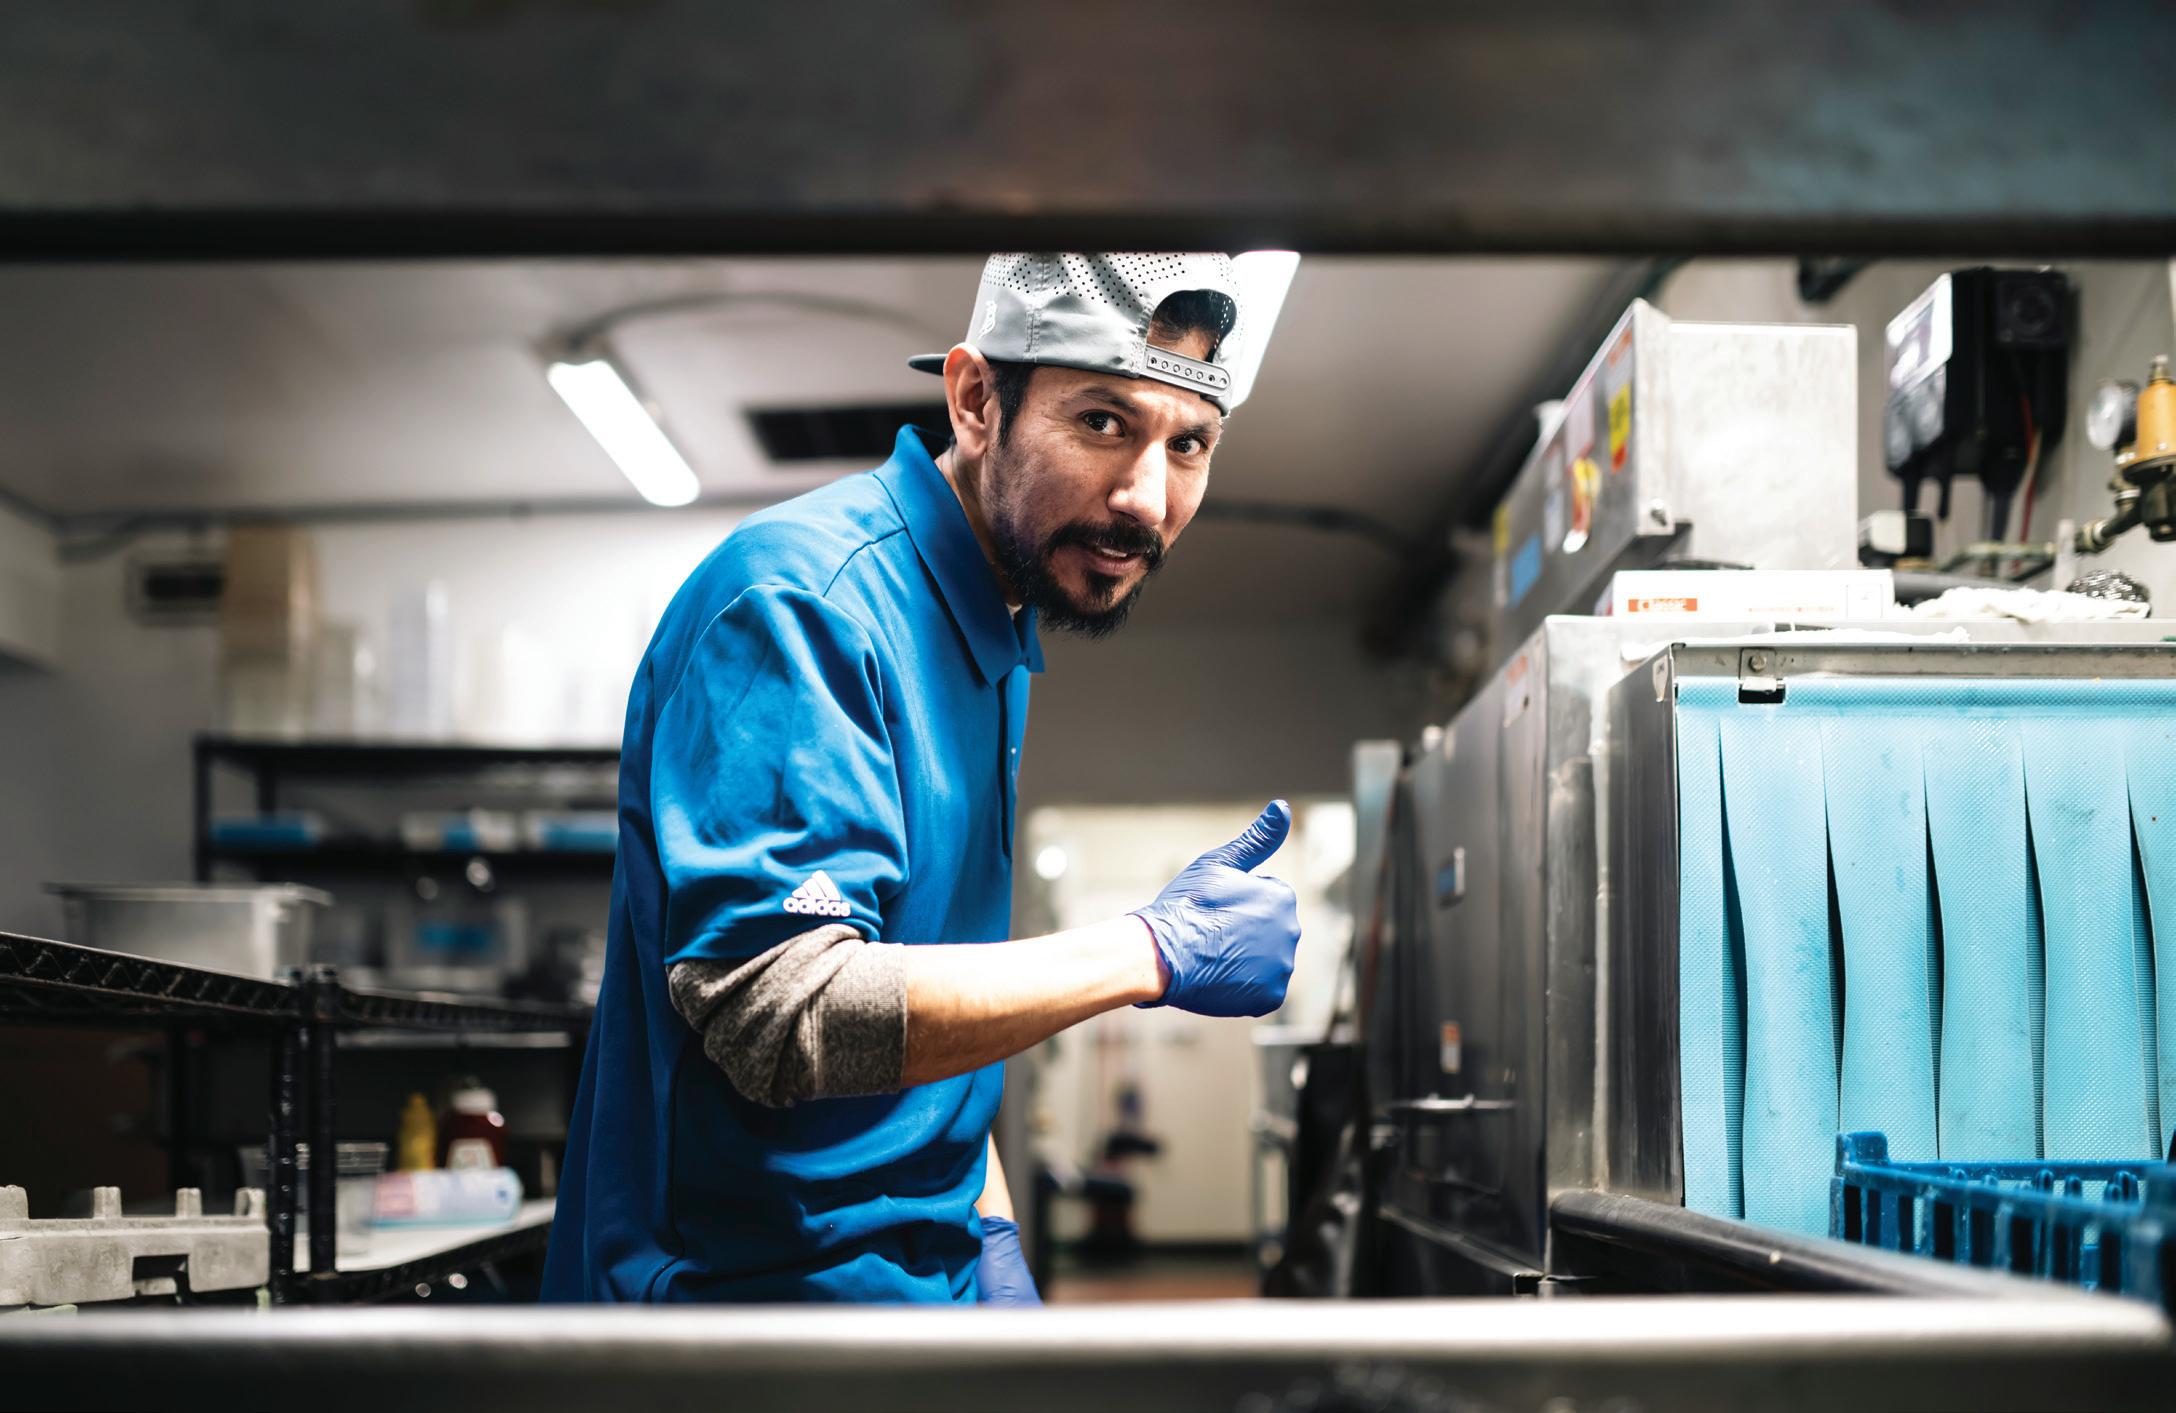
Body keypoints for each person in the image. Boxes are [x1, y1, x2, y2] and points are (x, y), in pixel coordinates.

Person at [542, 253, 1303, 1305]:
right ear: (977, 399)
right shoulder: (806, 602)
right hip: (740, 1313)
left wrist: (989, 1223)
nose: (1145, 497)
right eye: (1102, 422)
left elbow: (929, 977)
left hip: (914, 1287)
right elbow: (780, 1012)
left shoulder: (993, 622)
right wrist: (1147, 951)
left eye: (1189, 444)